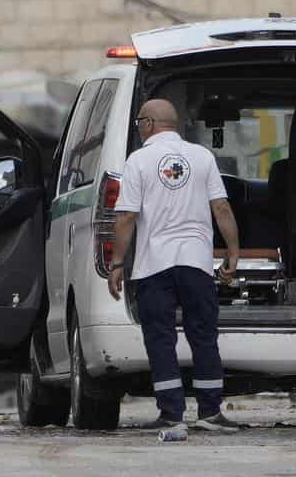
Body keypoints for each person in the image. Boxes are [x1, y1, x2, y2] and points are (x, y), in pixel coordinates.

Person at [106, 99, 243, 435]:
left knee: (160, 338)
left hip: (154, 265)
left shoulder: (138, 161)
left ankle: (171, 414)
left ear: (150, 122)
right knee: (204, 336)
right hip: (196, 262)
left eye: (140, 121)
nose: (138, 127)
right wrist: (233, 252)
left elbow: (126, 217)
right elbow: (221, 208)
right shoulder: (202, 157)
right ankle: (210, 413)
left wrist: (117, 262)